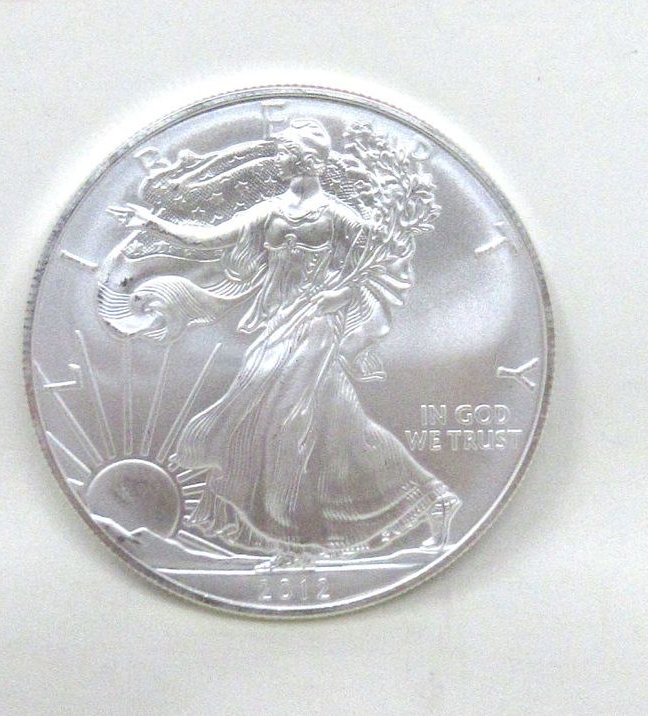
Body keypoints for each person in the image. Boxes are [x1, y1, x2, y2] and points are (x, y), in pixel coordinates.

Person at [120, 119, 460, 562]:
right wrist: (154, 223)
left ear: (308, 160)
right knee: (340, 428)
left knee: (287, 423)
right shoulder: (271, 211)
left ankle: (295, 538)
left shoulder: (337, 216)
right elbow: (209, 240)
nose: (278, 158)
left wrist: (343, 292)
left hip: (318, 323)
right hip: (279, 323)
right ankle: (432, 500)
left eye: (286, 152)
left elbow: (385, 259)